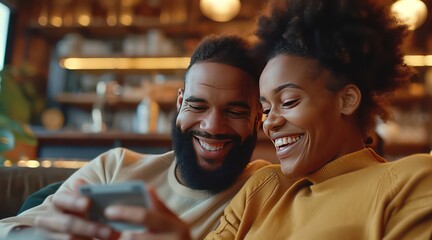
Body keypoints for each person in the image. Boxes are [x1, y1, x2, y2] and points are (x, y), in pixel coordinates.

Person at [103, 0, 432, 239]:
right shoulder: (263, 188)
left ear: (347, 99)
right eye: (266, 108)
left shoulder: (412, 179)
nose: (270, 123)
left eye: (288, 101)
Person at [0, 34, 269, 239]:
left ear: (258, 118)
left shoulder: (267, 190)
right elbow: (9, 230)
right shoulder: (115, 167)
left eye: (235, 111)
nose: (212, 126)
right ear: (179, 103)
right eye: (197, 106)